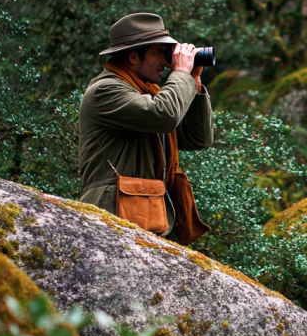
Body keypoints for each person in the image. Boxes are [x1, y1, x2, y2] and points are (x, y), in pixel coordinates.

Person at [78, 12, 213, 244]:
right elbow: (165, 115)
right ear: (132, 57)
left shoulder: (148, 94)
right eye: (159, 52)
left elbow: (197, 138)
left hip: (146, 214)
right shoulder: (105, 91)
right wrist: (180, 74)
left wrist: (195, 85)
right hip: (111, 216)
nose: (166, 61)